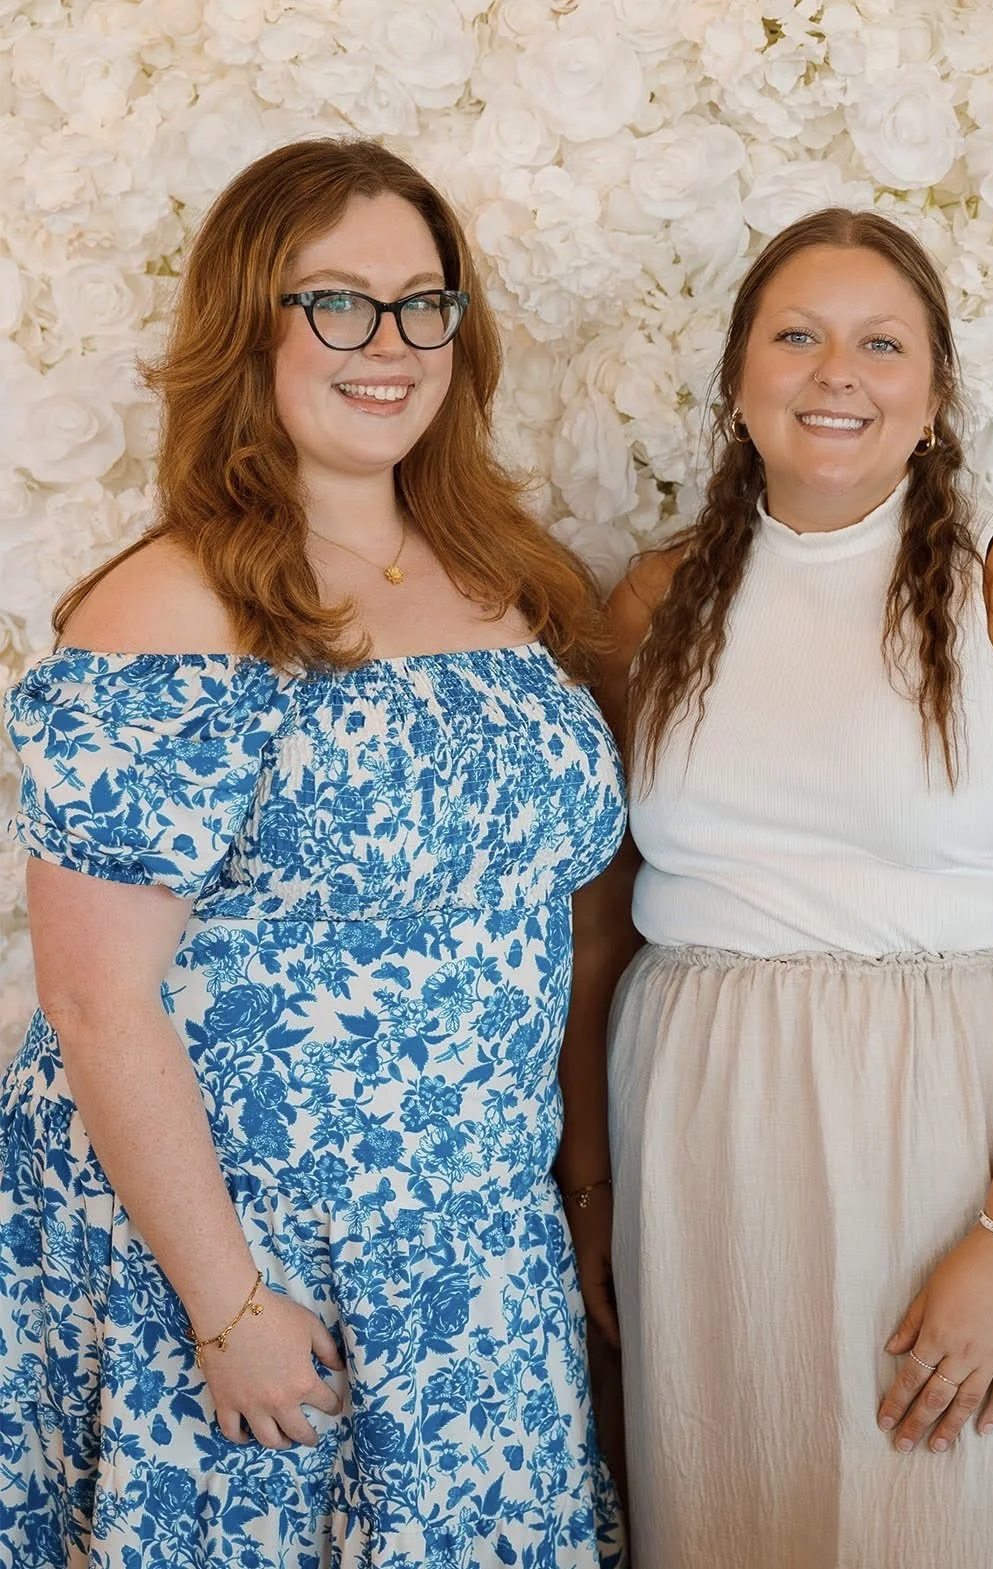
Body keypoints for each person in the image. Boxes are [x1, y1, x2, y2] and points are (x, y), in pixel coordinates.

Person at [0, 137, 626, 1568]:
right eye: (335, 301)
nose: (389, 343)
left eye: (423, 302)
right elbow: (97, 1003)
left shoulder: (507, 581)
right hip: (247, 1267)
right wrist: (228, 1311)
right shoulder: (175, 608)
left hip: (471, 1257)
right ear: (249, 327)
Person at [561, 208, 993, 1568]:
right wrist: (595, 1179)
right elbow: (603, 907)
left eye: (879, 342)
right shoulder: (657, 602)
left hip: (970, 1147)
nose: (834, 373)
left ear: (935, 390)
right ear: (738, 380)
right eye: (795, 336)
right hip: (712, 1151)